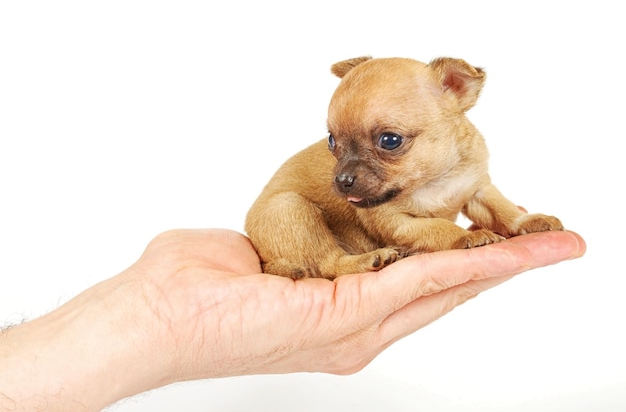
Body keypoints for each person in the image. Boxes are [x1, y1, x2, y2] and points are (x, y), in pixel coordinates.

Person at [0, 228, 585, 411]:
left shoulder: (459, 154)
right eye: (335, 143)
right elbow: (406, 225)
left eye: (389, 141)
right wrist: (160, 317)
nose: (347, 169)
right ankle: (337, 259)